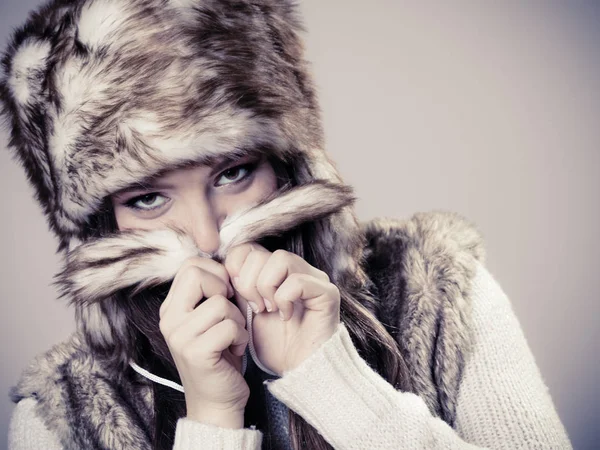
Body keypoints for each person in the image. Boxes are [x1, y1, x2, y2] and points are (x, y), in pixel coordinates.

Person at [1, 0, 572, 449]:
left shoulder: (439, 289)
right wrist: (212, 421)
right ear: (102, 224)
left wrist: (332, 381)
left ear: (288, 165)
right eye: (149, 199)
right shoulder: (63, 411)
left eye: (235, 172)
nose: (204, 236)